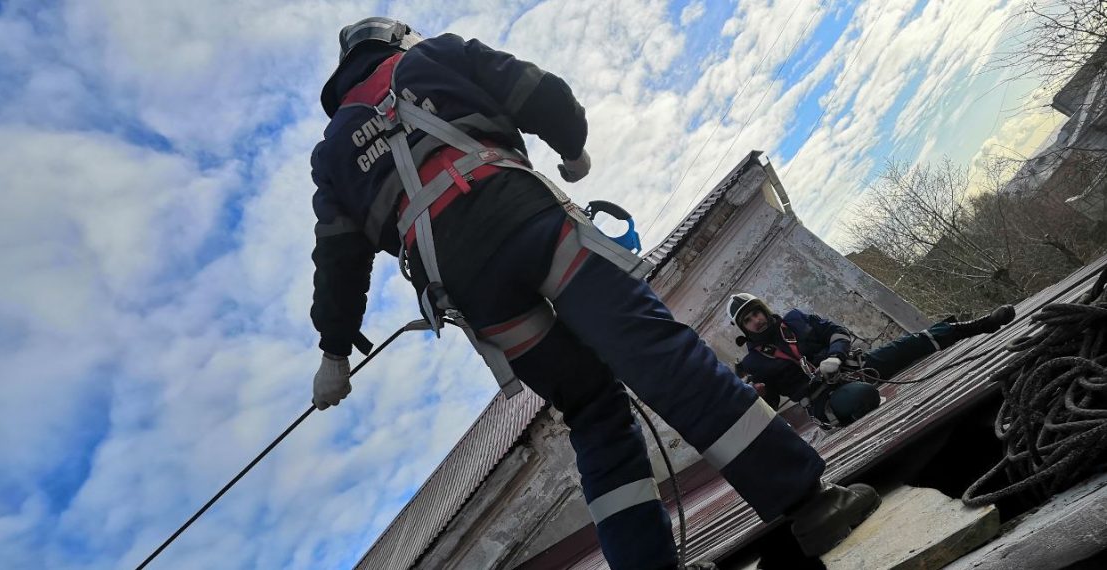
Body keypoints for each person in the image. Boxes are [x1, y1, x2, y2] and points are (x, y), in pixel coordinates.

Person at [307, 17, 880, 568]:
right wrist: (572, 148)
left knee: (592, 412)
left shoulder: (332, 153)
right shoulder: (437, 55)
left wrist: (334, 353)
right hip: (530, 226)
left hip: (473, 293)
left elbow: (337, 259)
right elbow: (538, 90)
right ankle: (810, 504)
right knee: (657, 356)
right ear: (395, 41)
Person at [728, 293, 1016, 426]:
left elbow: (837, 332)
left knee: (911, 343)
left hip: (854, 367)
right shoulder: (753, 364)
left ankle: (980, 325)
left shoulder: (796, 319)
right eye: (748, 320)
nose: (756, 320)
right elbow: (772, 404)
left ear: (764, 310)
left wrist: (836, 357)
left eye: (756, 313)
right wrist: (760, 396)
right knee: (863, 396)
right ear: (743, 328)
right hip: (823, 398)